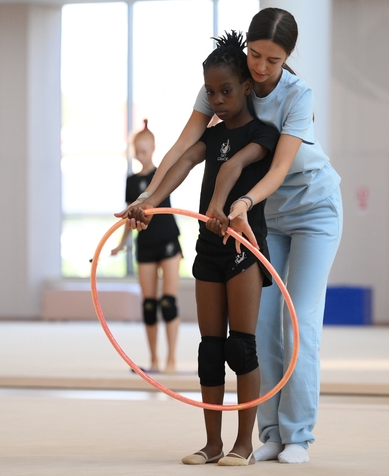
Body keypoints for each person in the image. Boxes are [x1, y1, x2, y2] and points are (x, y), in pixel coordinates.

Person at [120, 8, 343, 464]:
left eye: (273, 61)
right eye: (255, 55)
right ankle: (271, 434)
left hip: (312, 210)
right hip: (263, 219)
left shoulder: (297, 95)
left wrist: (239, 203)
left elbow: (277, 167)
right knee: (260, 328)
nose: (261, 68)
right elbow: (184, 149)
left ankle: (298, 435)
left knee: (299, 320)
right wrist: (149, 198)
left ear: (288, 60)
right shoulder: (229, 80)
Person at [129, 30, 279, 467]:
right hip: (208, 249)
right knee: (210, 349)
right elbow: (182, 163)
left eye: (226, 90)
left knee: (241, 347)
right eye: (210, 91)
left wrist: (218, 206)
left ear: (247, 87)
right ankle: (212, 443)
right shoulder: (210, 137)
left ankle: (244, 444)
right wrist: (149, 203)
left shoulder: (263, 133)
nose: (216, 99)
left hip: (242, 247)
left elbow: (235, 166)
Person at [111, 120, 182, 374]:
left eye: (144, 151)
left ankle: (172, 360)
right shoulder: (131, 181)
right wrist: (120, 246)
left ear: (152, 148)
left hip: (168, 241)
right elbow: (129, 218)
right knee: (149, 305)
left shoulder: (163, 172)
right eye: (136, 151)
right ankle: (154, 360)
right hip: (146, 245)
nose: (140, 156)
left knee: (168, 303)